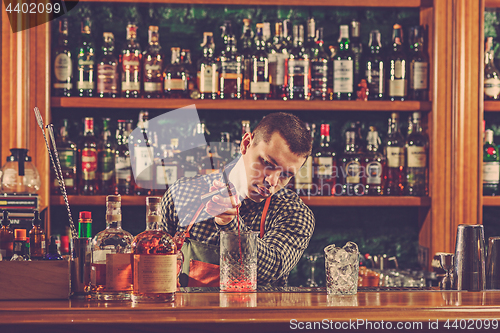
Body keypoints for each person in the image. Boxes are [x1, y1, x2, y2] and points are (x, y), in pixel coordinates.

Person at [161, 112, 315, 287]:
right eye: (267, 163)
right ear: (246, 144)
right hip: (188, 314)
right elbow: (153, 266)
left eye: (285, 174)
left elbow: (271, 270)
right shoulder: (183, 193)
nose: (272, 181)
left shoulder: (293, 212)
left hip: (256, 314)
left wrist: (230, 225)